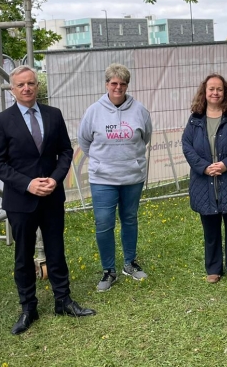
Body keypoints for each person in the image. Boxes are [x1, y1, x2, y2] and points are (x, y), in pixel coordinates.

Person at [0, 65, 95, 336]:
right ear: (12, 89)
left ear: (38, 86)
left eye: (31, 83)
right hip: (20, 201)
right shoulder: (2, 121)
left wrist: (56, 179)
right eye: (21, 85)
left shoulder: (53, 115)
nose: (27, 88)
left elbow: (66, 152)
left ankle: (63, 300)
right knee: (23, 256)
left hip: (51, 196)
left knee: (56, 250)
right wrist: (27, 184)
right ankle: (28, 308)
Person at [78, 63, 153, 293]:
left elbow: (146, 136)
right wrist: (104, 161)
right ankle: (108, 270)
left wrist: (128, 159)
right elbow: (84, 141)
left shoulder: (139, 110)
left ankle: (129, 264)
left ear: (127, 86)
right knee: (104, 224)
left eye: (122, 84)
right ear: (107, 84)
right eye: (113, 83)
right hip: (102, 179)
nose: (118, 87)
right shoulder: (93, 111)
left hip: (132, 177)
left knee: (129, 219)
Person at [182, 74, 227, 283]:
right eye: (211, 89)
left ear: (225, 92)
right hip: (204, 182)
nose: (215, 93)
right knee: (210, 229)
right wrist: (203, 167)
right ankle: (213, 268)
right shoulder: (195, 118)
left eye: (219, 89)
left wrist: (226, 164)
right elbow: (186, 145)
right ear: (204, 92)